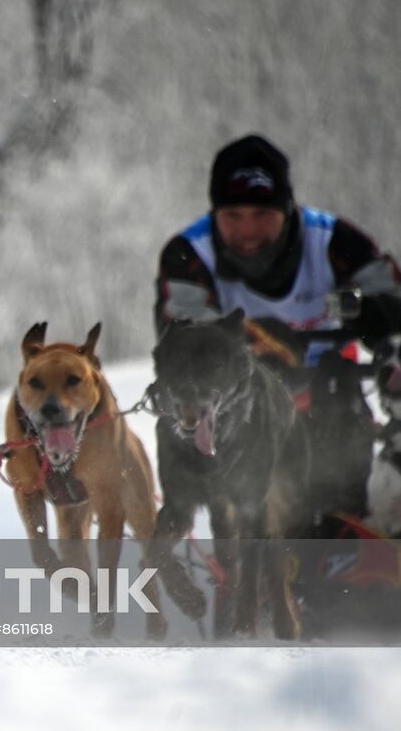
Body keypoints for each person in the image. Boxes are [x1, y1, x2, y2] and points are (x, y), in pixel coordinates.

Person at [154, 133, 401, 528]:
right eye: (233, 217)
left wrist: (380, 328)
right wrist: (257, 347)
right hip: (240, 415)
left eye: (261, 215)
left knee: (343, 418)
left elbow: (391, 301)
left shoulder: (336, 241)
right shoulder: (189, 255)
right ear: (214, 215)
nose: (248, 232)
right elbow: (182, 336)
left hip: (330, 401)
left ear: (288, 210)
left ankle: (347, 533)